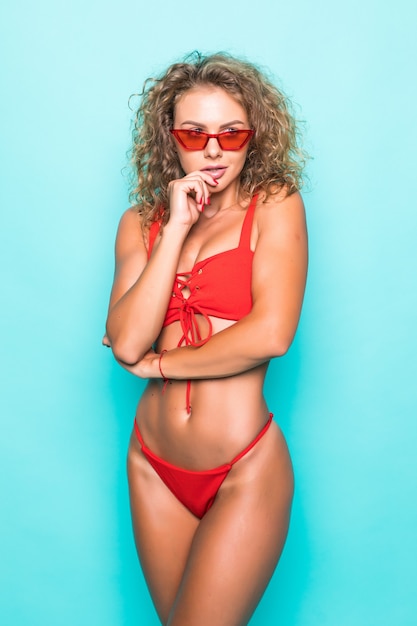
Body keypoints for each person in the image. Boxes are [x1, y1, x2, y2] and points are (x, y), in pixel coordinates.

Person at [103, 51, 308, 626]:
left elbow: (272, 334)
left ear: (253, 137)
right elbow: (125, 344)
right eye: (195, 134)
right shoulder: (139, 223)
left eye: (231, 133)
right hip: (153, 465)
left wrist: (163, 366)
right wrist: (175, 230)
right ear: (171, 139)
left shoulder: (273, 206)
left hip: (243, 466)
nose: (214, 150)